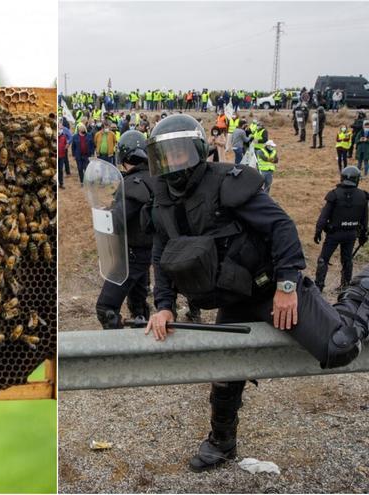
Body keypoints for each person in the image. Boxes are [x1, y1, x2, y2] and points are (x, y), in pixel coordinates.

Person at [142, 113, 369, 473]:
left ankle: (362, 293)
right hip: (232, 297)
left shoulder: (227, 183)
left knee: (341, 347)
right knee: (225, 374)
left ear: (198, 151)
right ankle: (221, 443)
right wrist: (164, 306)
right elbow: (162, 257)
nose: (173, 164)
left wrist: (287, 286)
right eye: (164, 156)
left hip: (270, 289)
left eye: (179, 154)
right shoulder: (162, 202)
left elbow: (281, 226)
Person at [94, 131, 155, 328]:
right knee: (138, 306)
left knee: (106, 308)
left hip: (132, 257)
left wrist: (103, 215)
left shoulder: (133, 184)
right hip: (147, 252)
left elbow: (117, 221)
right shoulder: (154, 178)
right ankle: (141, 345)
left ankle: (119, 353)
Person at [314, 166, 368, 293]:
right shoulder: (363, 196)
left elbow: (324, 215)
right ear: (357, 179)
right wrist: (363, 235)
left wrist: (318, 230)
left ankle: (318, 287)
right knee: (347, 259)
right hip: (351, 234)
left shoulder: (334, 194)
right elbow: (365, 219)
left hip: (334, 234)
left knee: (323, 259)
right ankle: (345, 286)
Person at [59, 119, 73, 189]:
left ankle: (67, 172)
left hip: (63, 150)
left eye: (60, 124)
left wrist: (68, 143)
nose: (59, 126)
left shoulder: (65, 131)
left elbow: (71, 137)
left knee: (65, 160)